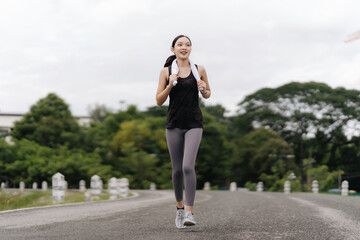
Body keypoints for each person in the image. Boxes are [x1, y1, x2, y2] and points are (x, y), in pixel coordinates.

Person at [156, 35, 211, 228]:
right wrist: (170, 84)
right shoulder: (166, 71)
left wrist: (203, 89)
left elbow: (208, 93)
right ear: (173, 49)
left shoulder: (199, 70)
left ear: (190, 49)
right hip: (174, 124)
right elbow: (159, 100)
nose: (184, 47)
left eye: (187, 45)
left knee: (188, 166)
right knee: (177, 170)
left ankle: (190, 212)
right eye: (180, 44)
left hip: (194, 123)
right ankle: (179, 209)